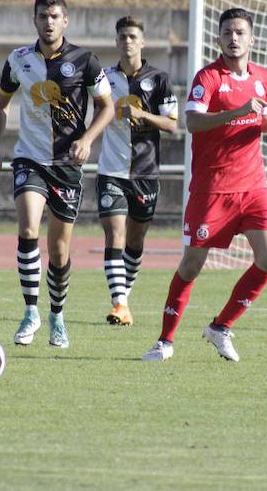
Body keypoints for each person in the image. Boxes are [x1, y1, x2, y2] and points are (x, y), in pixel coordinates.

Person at [141, 7, 267, 363]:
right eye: (227, 33)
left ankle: (220, 327)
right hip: (212, 188)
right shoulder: (207, 78)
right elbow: (192, 122)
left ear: (252, 39)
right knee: (191, 265)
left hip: (253, 185)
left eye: (240, 33)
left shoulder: (262, 78)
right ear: (218, 39)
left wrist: (265, 125)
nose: (233, 39)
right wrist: (238, 113)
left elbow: (251, 121)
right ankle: (165, 341)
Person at [0, 0, 114, 348]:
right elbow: (0, 106)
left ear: (65, 21)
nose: (49, 21)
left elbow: (107, 108)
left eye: (55, 16)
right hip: (30, 159)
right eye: (43, 16)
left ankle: (57, 315)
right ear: (34, 20)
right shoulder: (18, 59)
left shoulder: (85, 60)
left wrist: (88, 139)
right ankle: (31, 313)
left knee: (59, 250)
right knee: (28, 228)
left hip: (68, 166)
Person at [97, 16, 177, 326]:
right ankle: (120, 303)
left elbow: (172, 124)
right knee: (114, 235)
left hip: (145, 172)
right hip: (111, 170)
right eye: (122, 37)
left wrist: (141, 113)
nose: (127, 41)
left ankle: (123, 297)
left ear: (142, 42)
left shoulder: (158, 78)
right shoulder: (104, 77)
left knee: (135, 240)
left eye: (132, 36)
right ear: (116, 42)